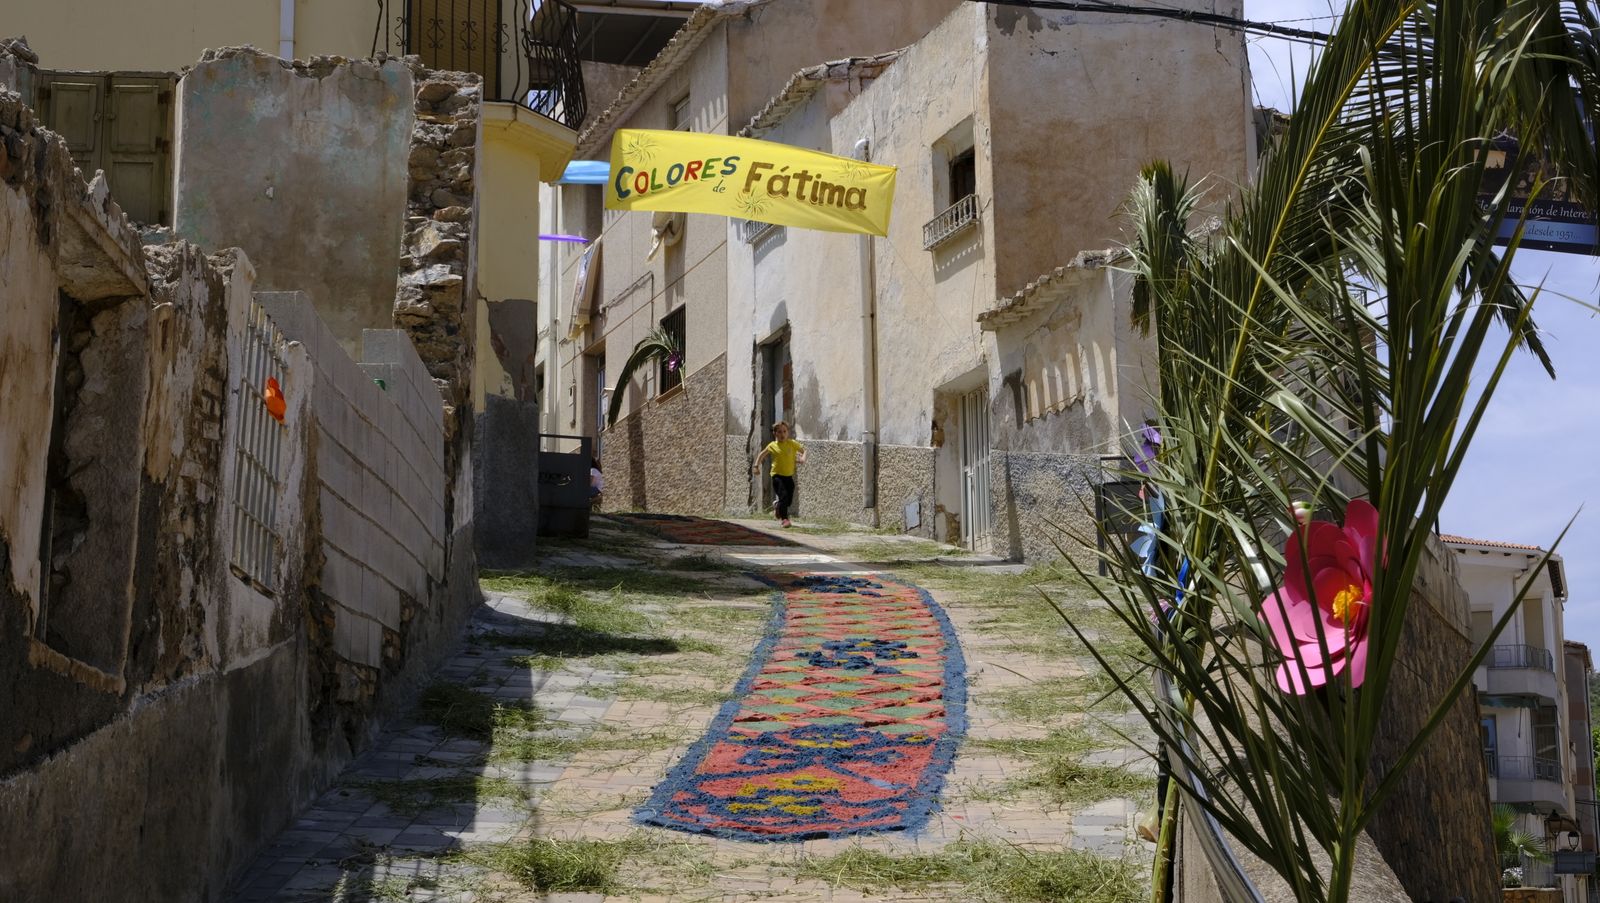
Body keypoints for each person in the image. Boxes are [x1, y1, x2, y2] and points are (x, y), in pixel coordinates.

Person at [752, 421, 805, 527]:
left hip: (789, 476)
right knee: (784, 496)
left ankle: (777, 506)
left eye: (784, 431)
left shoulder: (792, 444)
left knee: (788, 499)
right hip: (777, 476)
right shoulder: (772, 445)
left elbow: (804, 450)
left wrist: (803, 458)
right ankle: (785, 519)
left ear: (788, 433)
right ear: (775, 434)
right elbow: (762, 454)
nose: (782, 434)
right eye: (779, 432)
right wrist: (756, 466)